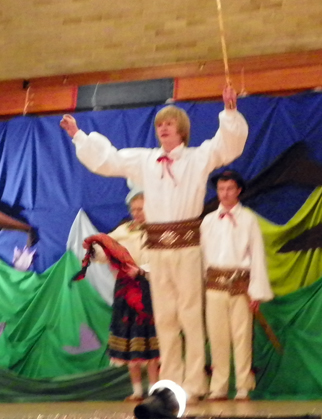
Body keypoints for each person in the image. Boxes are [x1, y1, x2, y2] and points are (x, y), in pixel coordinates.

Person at [60, 86, 248, 402]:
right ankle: (170, 384)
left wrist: (229, 112)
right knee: (164, 317)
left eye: (169, 123)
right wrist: (79, 135)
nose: (163, 128)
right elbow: (110, 160)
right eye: (160, 124)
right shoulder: (146, 160)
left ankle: (195, 382)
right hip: (158, 248)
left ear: (182, 129)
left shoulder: (197, 157)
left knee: (190, 315)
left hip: (187, 245)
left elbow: (226, 146)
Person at [200, 171, 274, 401]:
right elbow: (201, 257)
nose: (225, 193)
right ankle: (219, 386)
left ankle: (243, 385)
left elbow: (257, 256)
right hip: (214, 286)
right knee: (217, 337)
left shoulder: (248, 219)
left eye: (230, 188)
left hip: (241, 286)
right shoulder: (209, 220)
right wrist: (201, 288)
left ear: (238, 190)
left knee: (242, 337)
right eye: (221, 189)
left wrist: (256, 291)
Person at [93, 191, 159, 402]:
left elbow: (164, 262)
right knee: (130, 338)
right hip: (125, 291)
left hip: (150, 289)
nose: (137, 213)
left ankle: (156, 390)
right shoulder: (123, 230)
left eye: (141, 209)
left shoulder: (159, 231)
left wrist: (141, 270)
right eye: (134, 209)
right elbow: (103, 250)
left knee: (151, 342)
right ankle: (137, 390)